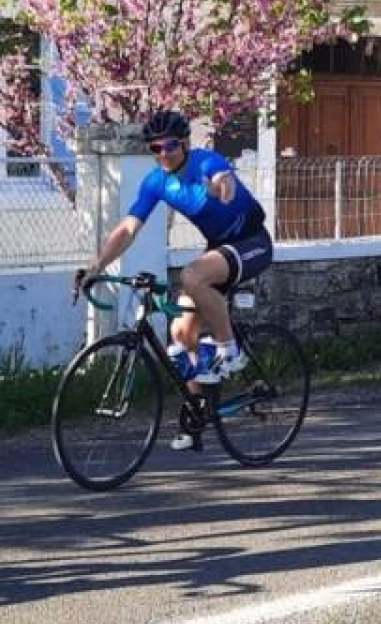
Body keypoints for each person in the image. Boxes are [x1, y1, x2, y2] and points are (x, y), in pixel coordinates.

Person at [76, 108, 273, 452]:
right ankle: (198, 420)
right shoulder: (157, 182)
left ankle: (232, 351)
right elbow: (127, 229)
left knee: (192, 275)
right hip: (220, 249)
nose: (163, 154)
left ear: (184, 144)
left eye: (169, 146)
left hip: (251, 243)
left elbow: (223, 179)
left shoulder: (204, 161)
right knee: (182, 334)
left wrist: (221, 188)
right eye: (155, 149)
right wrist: (95, 267)